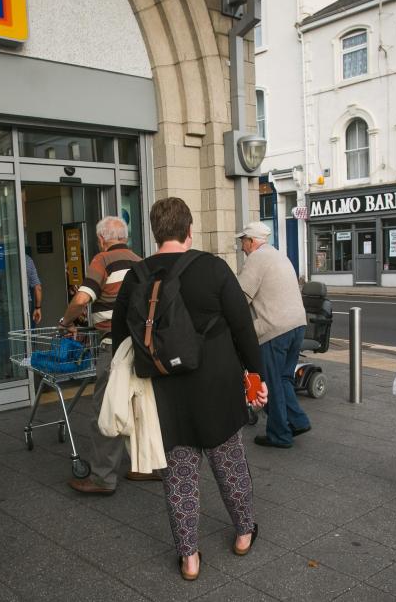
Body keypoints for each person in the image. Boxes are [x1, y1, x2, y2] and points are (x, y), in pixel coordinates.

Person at [111, 198, 268, 580]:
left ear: (155, 232)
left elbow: (121, 337)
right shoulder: (213, 268)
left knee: (179, 476)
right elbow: (242, 328)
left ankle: (189, 557)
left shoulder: (137, 276)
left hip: (163, 394)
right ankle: (244, 532)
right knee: (229, 463)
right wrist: (255, 376)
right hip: (217, 385)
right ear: (189, 229)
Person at [59, 216, 145, 495]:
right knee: (138, 407)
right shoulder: (139, 260)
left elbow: (83, 298)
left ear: (101, 239)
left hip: (115, 346)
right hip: (141, 346)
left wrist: (66, 322)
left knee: (107, 409)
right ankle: (145, 466)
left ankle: (102, 478)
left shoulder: (102, 260)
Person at [236, 221, 311, 449]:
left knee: (271, 382)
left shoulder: (256, 259)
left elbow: (240, 297)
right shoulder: (279, 255)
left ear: (251, 241)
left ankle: (279, 434)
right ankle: (297, 421)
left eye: (243, 241)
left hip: (274, 329)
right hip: (297, 325)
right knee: (285, 378)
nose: (241, 247)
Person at [24, 251, 43, 325]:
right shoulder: (27, 259)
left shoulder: (3, 259)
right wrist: (38, 308)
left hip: (5, 304)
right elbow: (38, 287)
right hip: (25, 303)